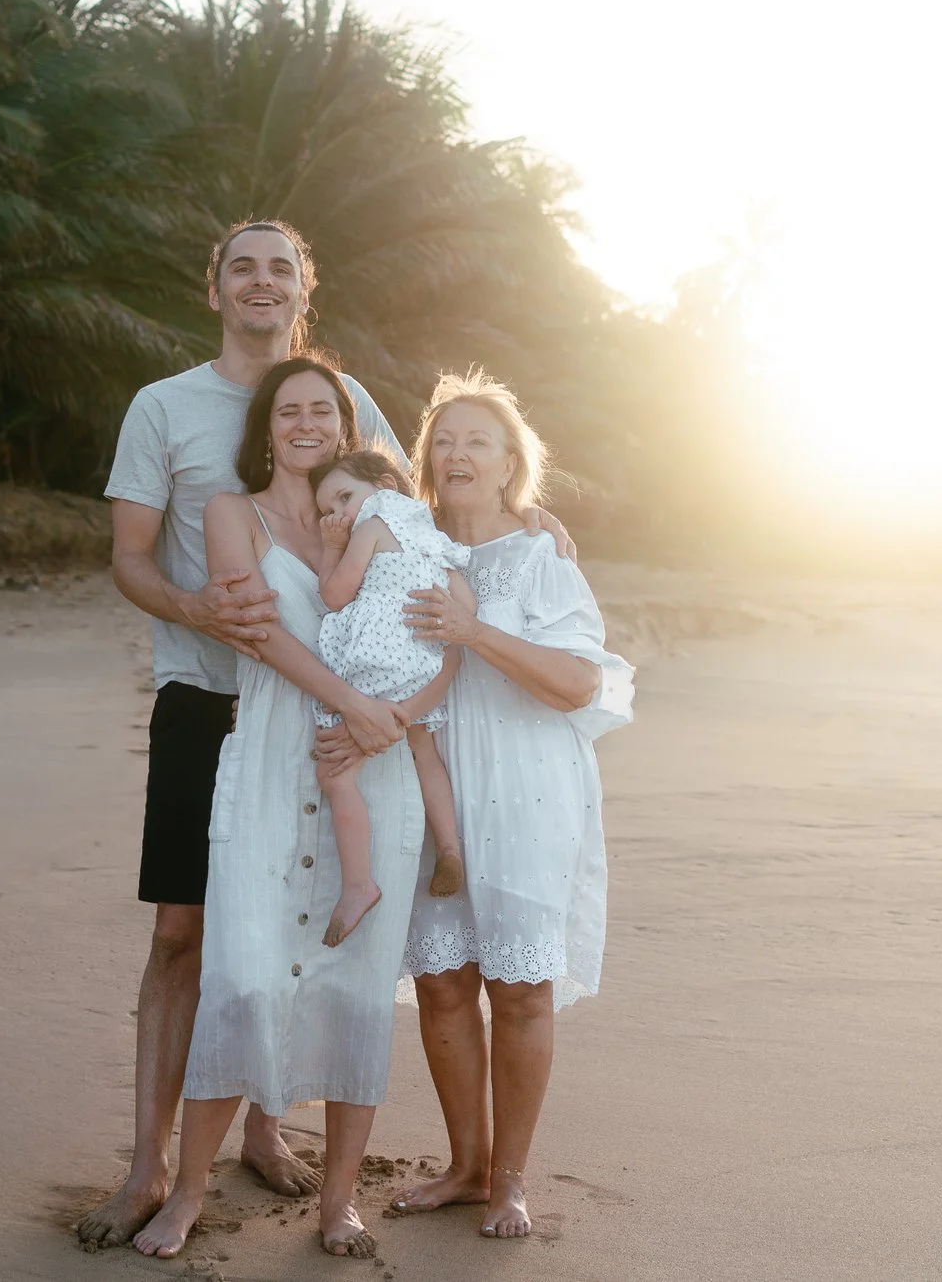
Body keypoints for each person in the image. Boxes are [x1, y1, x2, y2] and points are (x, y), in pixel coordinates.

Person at [83, 221, 403, 1247]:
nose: (261, 282)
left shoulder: (349, 409)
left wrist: (534, 523)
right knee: (183, 933)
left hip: (321, 715)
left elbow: (428, 518)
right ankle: (149, 1164)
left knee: (304, 926)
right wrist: (197, 614)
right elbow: (131, 556)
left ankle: (267, 1133)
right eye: (242, 267)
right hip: (204, 702)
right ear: (212, 288)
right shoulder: (163, 406)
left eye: (281, 267)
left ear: (305, 285)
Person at [320, 370, 633, 1241]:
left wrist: (475, 632)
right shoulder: (406, 538)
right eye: (444, 442)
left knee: (522, 990)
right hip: (426, 782)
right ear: (424, 463)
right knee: (444, 982)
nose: (458, 454)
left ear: (509, 467)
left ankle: (510, 1181)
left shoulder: (540, 555)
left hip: (528, 788)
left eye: (478, 442)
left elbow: (579, 682)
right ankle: (463, 1165)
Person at [132, 358, 428, 1261]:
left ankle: (340, 1202)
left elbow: (450, 602)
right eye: (289, 410)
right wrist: (355, 700)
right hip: (265, 759)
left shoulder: (379, 517)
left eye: (323, 411)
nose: (306, 423)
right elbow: (256, 635)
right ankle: (186, 1195)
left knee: (356, 987)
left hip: (372, 767)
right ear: (266, 427)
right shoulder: (233, 513)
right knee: (245, 975)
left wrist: (536, 518)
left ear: (346, 426)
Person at [308, 449, 470, 950]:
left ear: (383, 485)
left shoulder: (372, 526)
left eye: (344, 497)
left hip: (376, 658)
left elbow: (334, 596)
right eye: (327, 509)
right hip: (424, 657)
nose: (338, 514)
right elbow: (465, 607)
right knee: (425, 752)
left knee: (334, 774)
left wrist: (330, 548)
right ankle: (449, 845)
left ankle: (359, 884)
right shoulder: (436, 539)